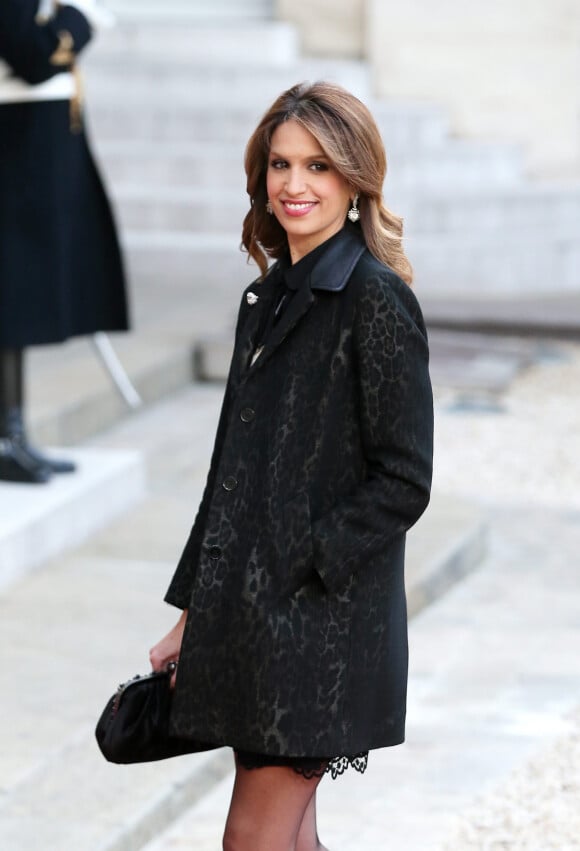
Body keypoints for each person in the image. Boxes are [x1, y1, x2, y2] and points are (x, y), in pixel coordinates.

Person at [150, 81, 434, 851]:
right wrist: (193, 609)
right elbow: (228, 473)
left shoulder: (375, 300)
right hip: (251, 623)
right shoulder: (264, 299)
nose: (294, 185)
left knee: (253, 837)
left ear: (353, 183)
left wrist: (302, 558)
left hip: (322, 630)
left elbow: (405, 477)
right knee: (290, 839)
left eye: (318, 167)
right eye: (280, 164)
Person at [0, 0, 128, 484]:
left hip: (34, 138)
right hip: (17, 140)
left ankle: (12, 433)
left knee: (17, 296)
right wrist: (78, 20)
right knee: (12, 294)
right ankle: (6, 437)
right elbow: (31, 56)